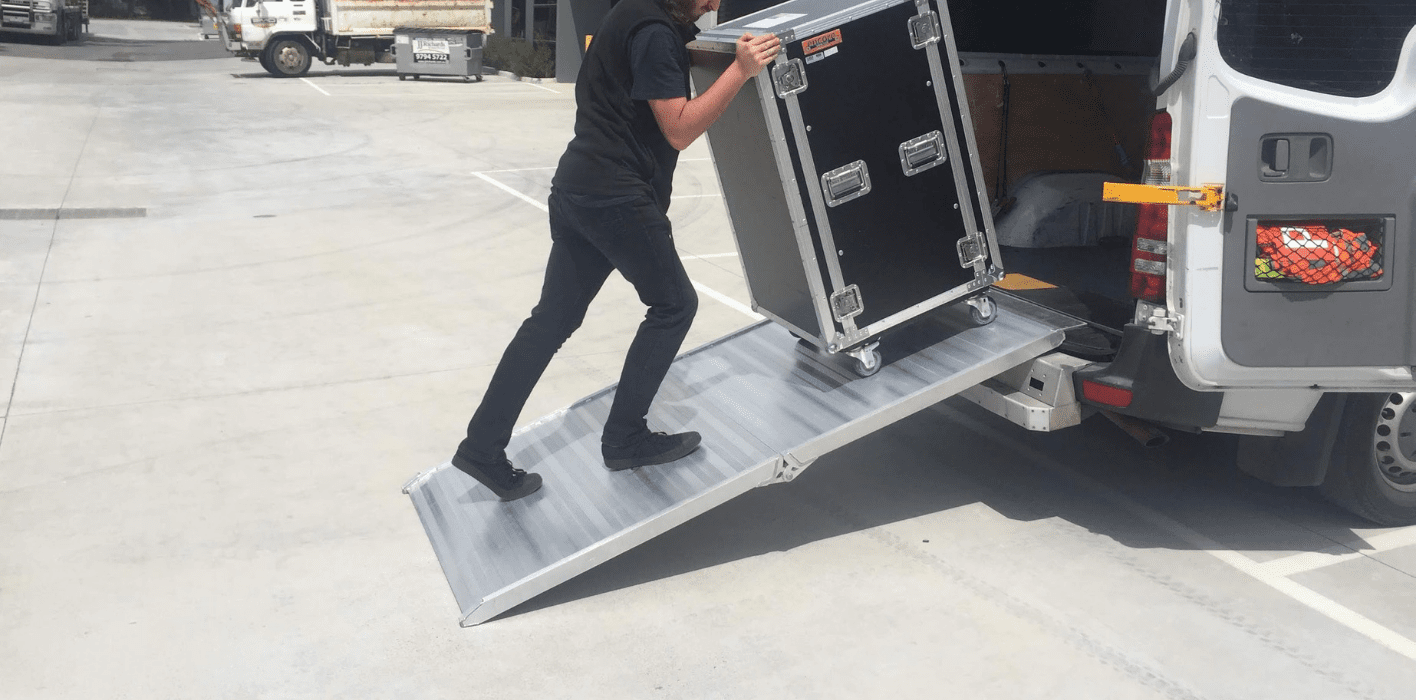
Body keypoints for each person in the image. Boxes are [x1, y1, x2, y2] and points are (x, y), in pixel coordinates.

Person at [451, 0, 781, 500]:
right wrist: (740, 70)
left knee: (551, 321)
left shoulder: (633, 13)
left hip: (578, 187)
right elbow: (679, 128)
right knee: (674, 305)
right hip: (617, 197)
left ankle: (480, 447)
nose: (713, 4)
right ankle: (624, 438)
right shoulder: (655, 33)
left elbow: (659, 72)